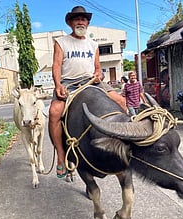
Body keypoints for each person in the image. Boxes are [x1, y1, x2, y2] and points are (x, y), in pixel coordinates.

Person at [49, 6, 126, 178]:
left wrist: (99, 74)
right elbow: (56, 65)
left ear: (88, 23)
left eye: (84, 19)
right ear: (70, 22)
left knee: (121, 101)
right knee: (54, 112)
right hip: (68, 84)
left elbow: (98, 68)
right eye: (77, 19)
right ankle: (61, 156)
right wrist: (57, 85)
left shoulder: (93, 44)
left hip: (90, 82)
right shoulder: (61, 42)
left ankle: (126, 143)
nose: (81, 21)